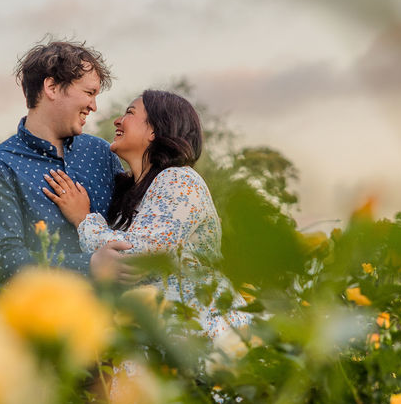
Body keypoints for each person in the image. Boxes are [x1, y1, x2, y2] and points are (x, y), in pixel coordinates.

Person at [42, 89, 250, 339]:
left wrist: (83, 219)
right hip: (156, 339)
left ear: (154, 131)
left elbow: (135, 256)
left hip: (204, 337)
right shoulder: (131, 195)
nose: (117, 120)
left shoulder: (180, 181)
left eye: (129, 113)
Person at [0, 40, 133, 285]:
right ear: (52, 87)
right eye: (89, 93)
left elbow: (131, 224)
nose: (94, 106)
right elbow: (5, 261)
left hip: (110, 319)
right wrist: (89, 265)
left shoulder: (101, 153)